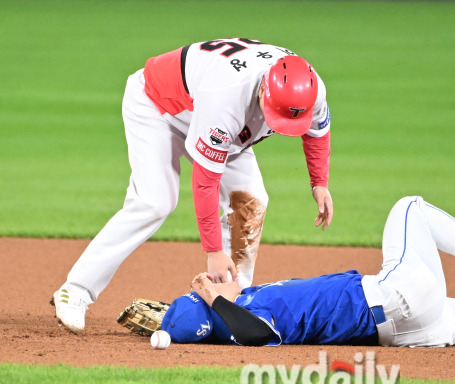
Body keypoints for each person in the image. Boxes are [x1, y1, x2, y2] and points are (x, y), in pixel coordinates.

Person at [51, 38, 334, 332]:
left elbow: (317, 131)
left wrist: (319, 183)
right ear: (265, 89)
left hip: (217, 121)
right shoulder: (227, 95)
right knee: (154, 201)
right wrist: (213, 251)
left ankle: (229, 305)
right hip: (158, 106)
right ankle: (76, 290)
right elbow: (204, 182)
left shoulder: (309, 88)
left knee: (251, 202)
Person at [159, 196, 455, 350]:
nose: (220, 278)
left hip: (401, 331)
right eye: (213, 285)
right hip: (393, 297)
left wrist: (172, 322)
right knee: (409, 207)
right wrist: (217, 300)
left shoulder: (247, 309)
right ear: (218, 310)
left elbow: (228, 325)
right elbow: (251, 335)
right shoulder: (250, 315)